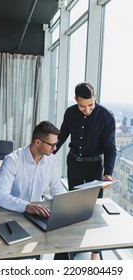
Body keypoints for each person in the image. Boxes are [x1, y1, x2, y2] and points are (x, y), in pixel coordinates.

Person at [55, 82, 116, 260]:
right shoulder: (70, 112)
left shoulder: (106, 116)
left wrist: (108, 173)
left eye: (90, 105)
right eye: (82, 106)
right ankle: (72, 244)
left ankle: (95, 252)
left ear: (95, 98)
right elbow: (63, 135)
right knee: (73, 207)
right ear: (76, 100)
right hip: (74, 163)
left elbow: (110, 148)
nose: (87, 110)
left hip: (94, 168)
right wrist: (48, 152)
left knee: (93, 210)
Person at [0, 121, 66, 218]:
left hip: (37, 213)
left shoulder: (52, 160)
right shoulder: (13, 160)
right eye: (52, 145)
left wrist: (66, 203)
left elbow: (56, 188)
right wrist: (26, 206)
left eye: (56, 144)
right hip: (12, 212)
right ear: (38, 142)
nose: (55, 148)